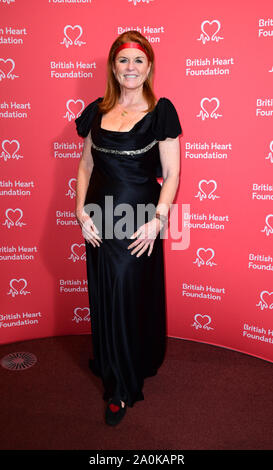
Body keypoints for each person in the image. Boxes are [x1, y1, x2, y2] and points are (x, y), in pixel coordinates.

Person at [74, 30, 182, 426]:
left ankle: (120, 387)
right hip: (98, 220)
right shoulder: (98, 111)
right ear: (113, 68)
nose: (131, 68)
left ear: (149, 66)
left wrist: (158, 220)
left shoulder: (161, 112)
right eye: (123, 61)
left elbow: (171, 174)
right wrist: (79, 211)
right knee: (105, 290)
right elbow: (85, 165)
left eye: (138, 60)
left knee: (127, 292)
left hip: (137, 221)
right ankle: (111, 359)